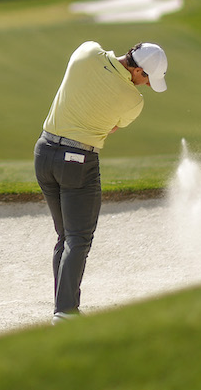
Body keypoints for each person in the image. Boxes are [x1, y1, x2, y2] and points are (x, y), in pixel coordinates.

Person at [34, 40, 168, 325]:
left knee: (65, 236)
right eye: (147, 79)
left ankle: (63, 306)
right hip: (78, 161)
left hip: (43, 153)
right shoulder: (133, 101)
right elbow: (111, 127)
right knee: (79, 238)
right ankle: (65, 312)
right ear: (140, 71)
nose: (145, 86)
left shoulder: (85, 52)